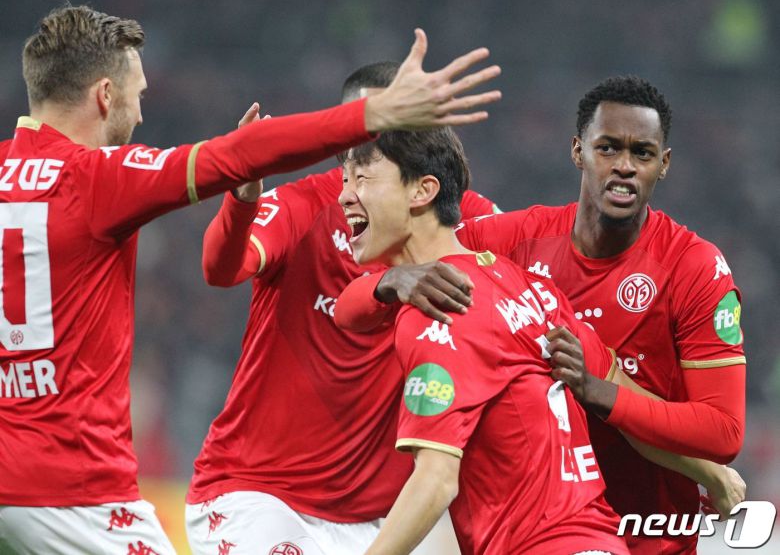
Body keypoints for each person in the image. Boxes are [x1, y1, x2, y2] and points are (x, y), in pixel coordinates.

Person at [0, 5, 501, 554]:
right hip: (83, 486)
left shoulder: (465, 219)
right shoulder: (98, 177)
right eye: (137, 95)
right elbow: (231, 174)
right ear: (104, 95)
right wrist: (374, 115)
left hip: (364, 513)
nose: (140, 114)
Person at [335, 75, 746, 554]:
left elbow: (723, 431)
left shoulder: (692, 266)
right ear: (578, 150)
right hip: (574, 529)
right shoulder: (512, 258)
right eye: (608, 148)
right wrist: (391, 281)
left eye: (642, 153)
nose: (624, 166)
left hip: (647, 531)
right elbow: (359, 301)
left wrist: (600, 394)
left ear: (664, 163)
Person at [185, 61, 499, 555]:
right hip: (259, 497)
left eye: (391, 123)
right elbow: (221, 268)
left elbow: (536, 269)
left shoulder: (459, 220)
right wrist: (243, 195)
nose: (371, 139)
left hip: (371, 521)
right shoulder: (303, 205)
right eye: (362, 124)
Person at [337, 127, 631, 554]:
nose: (344, 196)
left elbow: (436, 480)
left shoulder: (438, 310)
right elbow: (623, 394)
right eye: (345, 180)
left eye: (362, 178)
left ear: (422, 191)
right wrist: (715, 475)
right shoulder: (532, 288)